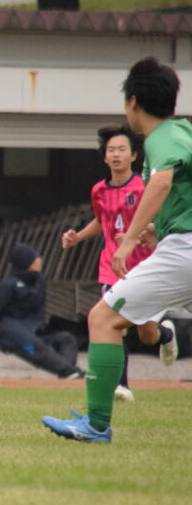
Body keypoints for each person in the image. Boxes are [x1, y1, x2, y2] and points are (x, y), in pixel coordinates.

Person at [44, 57, 189, 443]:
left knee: (103, 319)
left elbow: (160, 184)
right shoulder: (184, 131)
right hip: (179, 244)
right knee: (128, 325)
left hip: (185, 252)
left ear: (133, 102)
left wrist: (129, 238)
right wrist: (159, 226)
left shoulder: (161, 139)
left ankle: (96, 424)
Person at [60, 125, 176, 402]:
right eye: (111, 150)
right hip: (112, 268)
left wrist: (138, 233)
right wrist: (78, 237)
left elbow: (160, 221)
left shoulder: (145, 187)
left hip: (144, 266)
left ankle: (165, 335)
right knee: (115, 325)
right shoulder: (99, 190)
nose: (116, 154)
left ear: (134, 155)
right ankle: (121, 386)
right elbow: (102, 221)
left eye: (122, 149)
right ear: (104, 157)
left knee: (146, 334)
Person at [0, 243, 85, 379]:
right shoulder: (8, 285)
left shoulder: (39, 282)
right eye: (35, 261)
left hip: (33, 329)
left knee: (66, 338)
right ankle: (70, 371)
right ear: (26, 262)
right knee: (32, 344)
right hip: (10, 331)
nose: (39, 262)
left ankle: (67, 372)